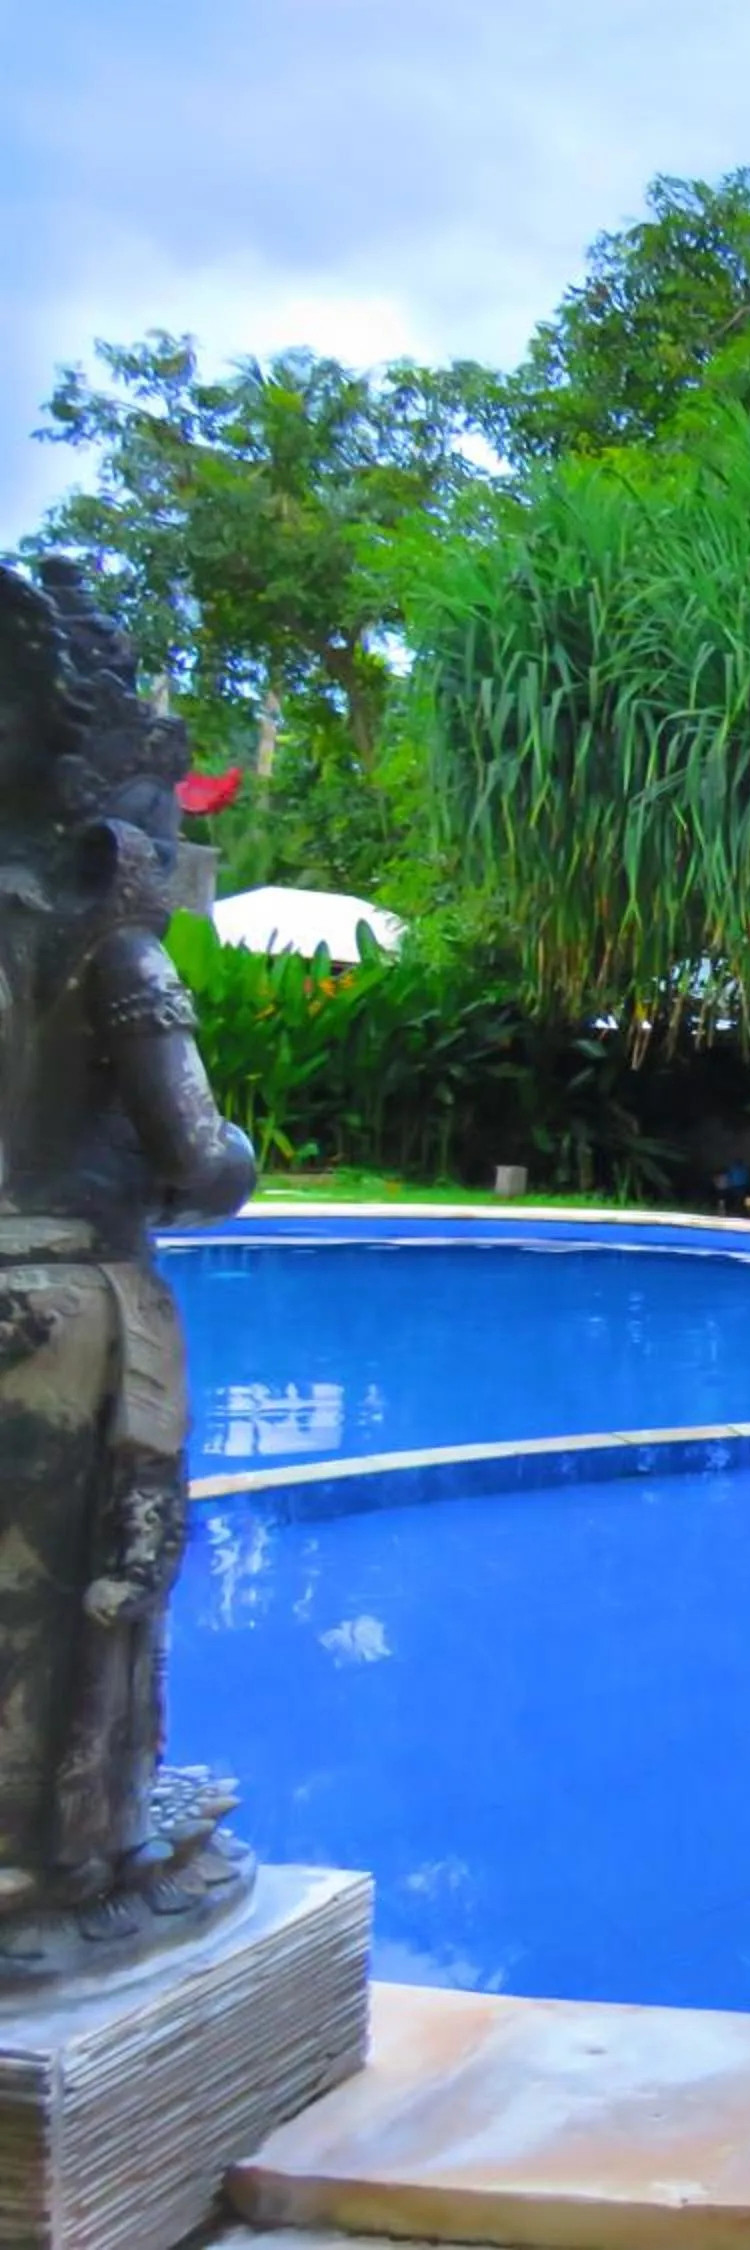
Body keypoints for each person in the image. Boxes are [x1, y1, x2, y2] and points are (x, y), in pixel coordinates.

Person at [0, 560, 256, 1962]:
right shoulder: (111, 944)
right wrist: (241, 1159)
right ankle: (68, 1872)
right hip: (70, 1309)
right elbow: (198, 1152)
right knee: (94, 1578)